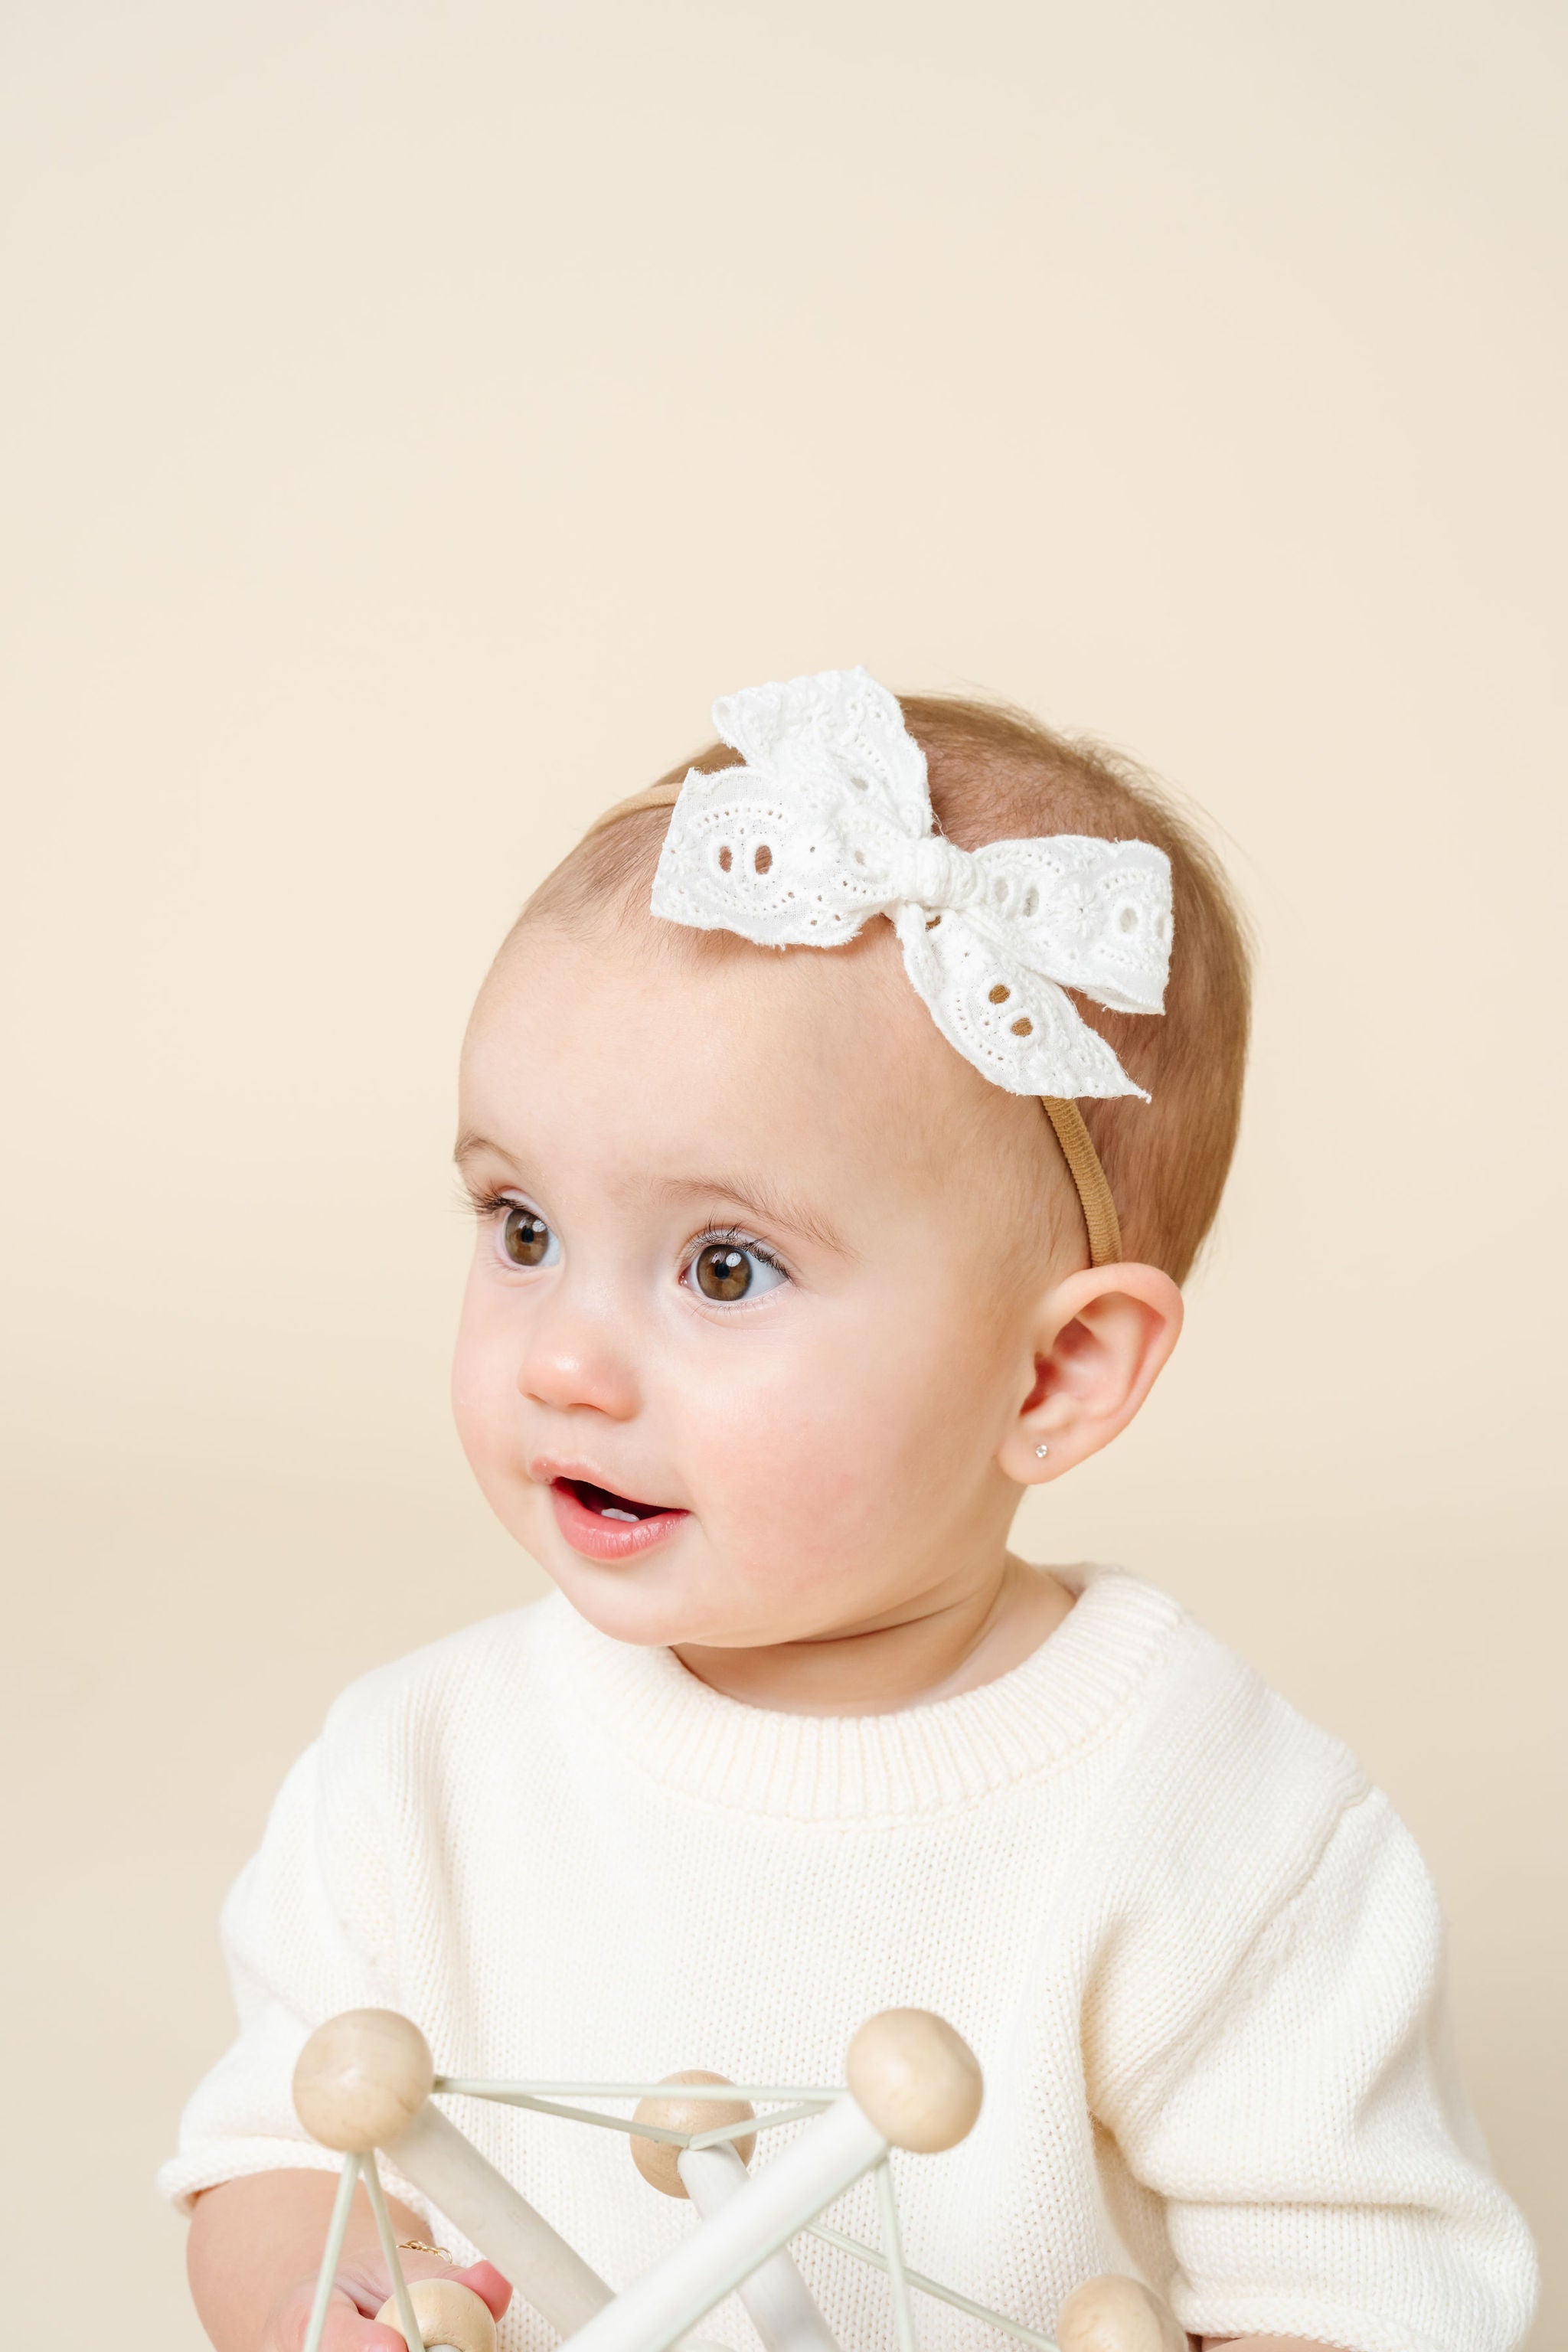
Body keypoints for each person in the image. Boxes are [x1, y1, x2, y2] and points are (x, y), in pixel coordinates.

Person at [163, 669, 1538, 2352]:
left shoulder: (1217, 1825)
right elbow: (273, 2157)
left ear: (1055, 1375)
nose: (565, 1361)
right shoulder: (416, 1773)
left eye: (724, 1267)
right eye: (522, 1227)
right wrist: (335, 2296)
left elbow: (1374, 2297)